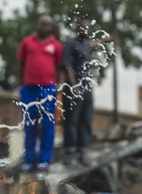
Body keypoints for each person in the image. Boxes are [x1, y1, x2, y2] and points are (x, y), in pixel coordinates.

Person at [62, 18, 112, 166]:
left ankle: (83, 150)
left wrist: (107, 39)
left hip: (87, 86)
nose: (86, 30)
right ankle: (70, 151)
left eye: (88, 28)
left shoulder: (86, 44)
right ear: (77, 28)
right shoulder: (70, 44)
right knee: (72, 119)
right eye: (83, 27)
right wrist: (74, 86)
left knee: (86, 118)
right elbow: (67, 65)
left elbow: (96, 43)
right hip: (74, 85)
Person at [17, 15, 63, 173]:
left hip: (48, 88)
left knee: (48, 124)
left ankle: (44, 160)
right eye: (42, 24)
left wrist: (58, 87)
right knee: (29, 123)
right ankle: (29, 159)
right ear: (38, 25)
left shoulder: (56, 46)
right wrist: (20, 85)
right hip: (29, 89)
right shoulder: (27, 42)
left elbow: (59, 68)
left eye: (47, 25)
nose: (44, 27)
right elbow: (21, 64)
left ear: (51, 28)